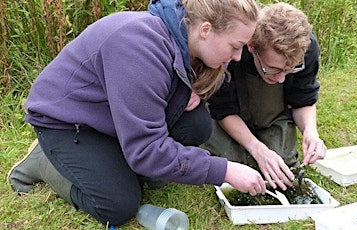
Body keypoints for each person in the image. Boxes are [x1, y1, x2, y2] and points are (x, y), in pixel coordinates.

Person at [7, 0, 265, 226]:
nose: (238, 56)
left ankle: (114, 162)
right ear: (206, 30)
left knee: (196, 125)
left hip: (109, 116)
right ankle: (43, 162)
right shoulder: (140, 48)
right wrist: (225, 171)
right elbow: (146, 151)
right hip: (68, 121)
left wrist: (190, 91)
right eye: (235, 46)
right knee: (118, 205)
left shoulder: (186, 38)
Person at [201, 2, 327, 191]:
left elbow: (303, 99)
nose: (281, 78)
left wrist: (310, 132)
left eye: (289, 70)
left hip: (270, 114)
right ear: (251, 46)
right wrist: (257, 149)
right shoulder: (234, 49)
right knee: (231, 161)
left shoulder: (305, 48)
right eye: (274, 69)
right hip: (228, 114)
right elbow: (223, 108)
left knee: (283, 161)